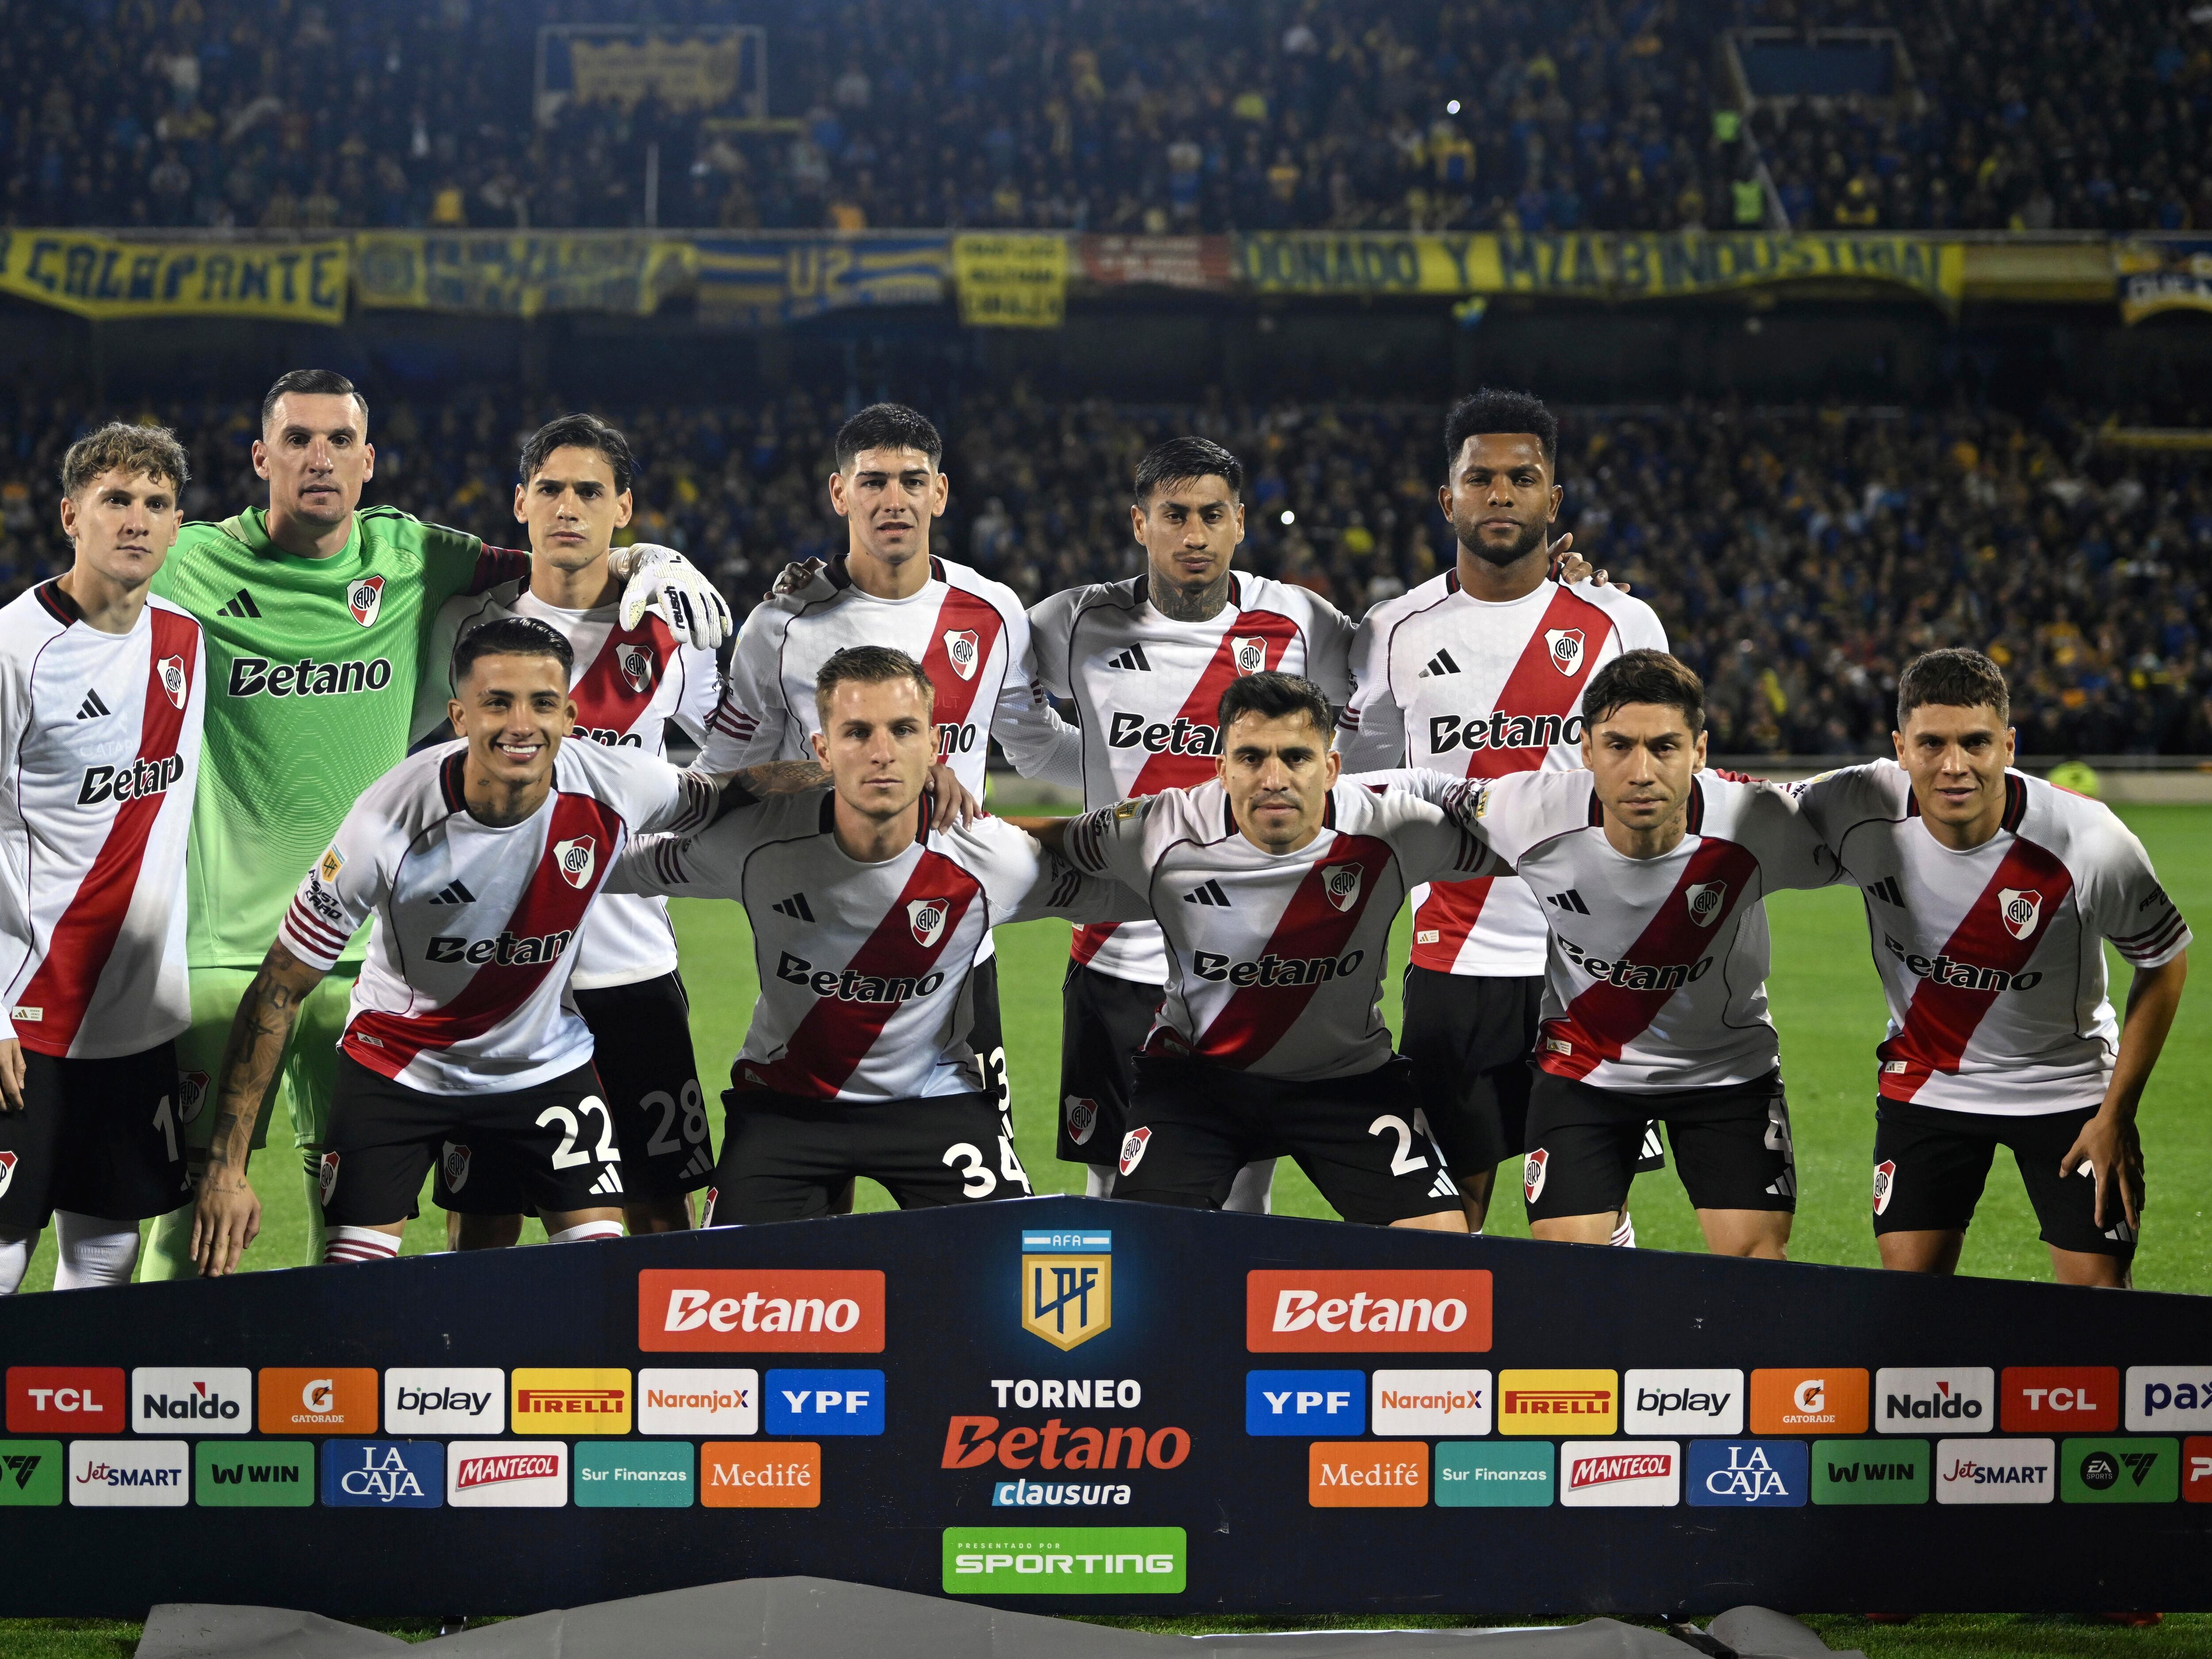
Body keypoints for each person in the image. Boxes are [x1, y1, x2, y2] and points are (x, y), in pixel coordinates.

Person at [142, 368, 732, 1278]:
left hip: (539, 957)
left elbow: (713, 762)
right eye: (297, 440)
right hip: (262, 952)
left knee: (642, 1208)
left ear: (369, 460)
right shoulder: (206, 562)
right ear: (261, 457)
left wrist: (654, 557)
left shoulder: (432, 565)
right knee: (212, 1201)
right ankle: (177, 1395)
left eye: (339, 440)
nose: (319, 459)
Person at [189, 617, 740, 1273]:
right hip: (399, 1065)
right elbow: (280, 984)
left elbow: (723, 797)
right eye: (497, 703)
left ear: (568, 714)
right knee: (354, 1285)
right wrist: (226, 1168)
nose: (521, 724)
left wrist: (853, 787)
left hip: (543, 1067)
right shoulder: (386, 821)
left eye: (541, 703)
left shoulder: (614, 782)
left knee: (601, 1280)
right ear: (459, 715)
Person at [609, 646, 1125, 1223]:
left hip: (933, 1103)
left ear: (935, 747)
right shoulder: (756, 844)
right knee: (729, 1288)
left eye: (903, 730)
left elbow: (1133, 892)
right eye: (857, 732)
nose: (882, 753)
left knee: (1017, 1275)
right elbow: (600, 862)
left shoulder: (990, 857)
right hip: (787, 1104)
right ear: (822, 751)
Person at [1337, 388, 1667, 1237]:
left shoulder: (1622, 624)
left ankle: (1603, 1366)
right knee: (1456, 1220)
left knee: (1587, 1221)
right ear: (1448, 499)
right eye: (1479, 479)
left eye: (1522, 478)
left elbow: (1664, 784)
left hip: (1590, 956)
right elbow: (1366, 789)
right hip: (1458, 961)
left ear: (1552, 501)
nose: (1500, 494)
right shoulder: (1392, 632)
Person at [1379, 649, 1833, 1258]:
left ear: (1699, 751)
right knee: (1571, 1271)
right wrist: (1308, 791)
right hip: (1586, 1070)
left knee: (1756, 1269)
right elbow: (1432, 785)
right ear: (1587, 751)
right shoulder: (1531, 810)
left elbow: (1872, 802)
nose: (1641, 770)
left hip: (1724, 1071)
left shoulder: (1758, 819)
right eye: (1618, 746)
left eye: (1664, 747)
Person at [706, 402, 1078, 1137]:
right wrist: (841, 782)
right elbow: (723, 785)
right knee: (809, 1191)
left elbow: (1036, 745)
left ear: (940, 494)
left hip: (960, 940)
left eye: (912, 481)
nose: (893, 499)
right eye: (872, 481)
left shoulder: (994, 612)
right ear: (839, 494)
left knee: (974, 1207)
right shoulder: (780, 627)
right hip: (818, 941)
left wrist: (1163, 771)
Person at [1025, 672, 1507, 1232]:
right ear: (1221, 769)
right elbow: (1045, 840)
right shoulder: (1161, 828)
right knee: (1144, 1249)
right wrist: (928, 817)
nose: (1273, 779)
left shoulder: (1394, 830)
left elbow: (1533, 847)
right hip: (1197, 1084)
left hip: (1346, 1082)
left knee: (1441, 1247)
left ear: (1330, 768)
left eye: (1296, 758)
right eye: (1251, 758)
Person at [413, 415, 724, 1240]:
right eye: (550, 489)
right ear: (519, 503)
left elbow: (727, 765)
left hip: (628, 965)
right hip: (497, 970)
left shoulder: (667, 631)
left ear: (624, 507)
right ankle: (477, 1372)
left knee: (661, 1211)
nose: (569, 508)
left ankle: (667, 1372)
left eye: (591, 491)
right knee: (483, 1219)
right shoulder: (470, 631)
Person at [1790, 649, 2191, 1288]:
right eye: (1932, 743)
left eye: (1976, 742)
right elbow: (1743, 815)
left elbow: (2164, 963)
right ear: (1900, 746)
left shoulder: (2089, 841)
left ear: (2009, 744)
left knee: (2101, 1299)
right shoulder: (1853, 804)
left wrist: (2115, 1114)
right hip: (1928, 1082)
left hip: (2067, 1087)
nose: (1954, 765)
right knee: (1912, 1296)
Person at [1026, 435, 1355, 1208]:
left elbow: (1387, 706)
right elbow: (994, 703)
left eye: (1212, 514)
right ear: (1140, 523)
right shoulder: (1074, 621)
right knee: (1110, 1180)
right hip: (1117, 958)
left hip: (1251, 960)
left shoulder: (1302, 622)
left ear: (1241, 521)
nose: (1194, 534)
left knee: (1244, 1191)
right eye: (1174, 515)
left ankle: (1226, 1330)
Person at [0, 424, 204, 1293]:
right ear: (70, 515)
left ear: (176, 524)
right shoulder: (15, 650)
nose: (137, 520)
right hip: (25, 1015)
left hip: (136, 1017)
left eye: (155, 504)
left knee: (104, 1253)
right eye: (116, 499)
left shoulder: (186, 641)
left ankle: (56, 1433)